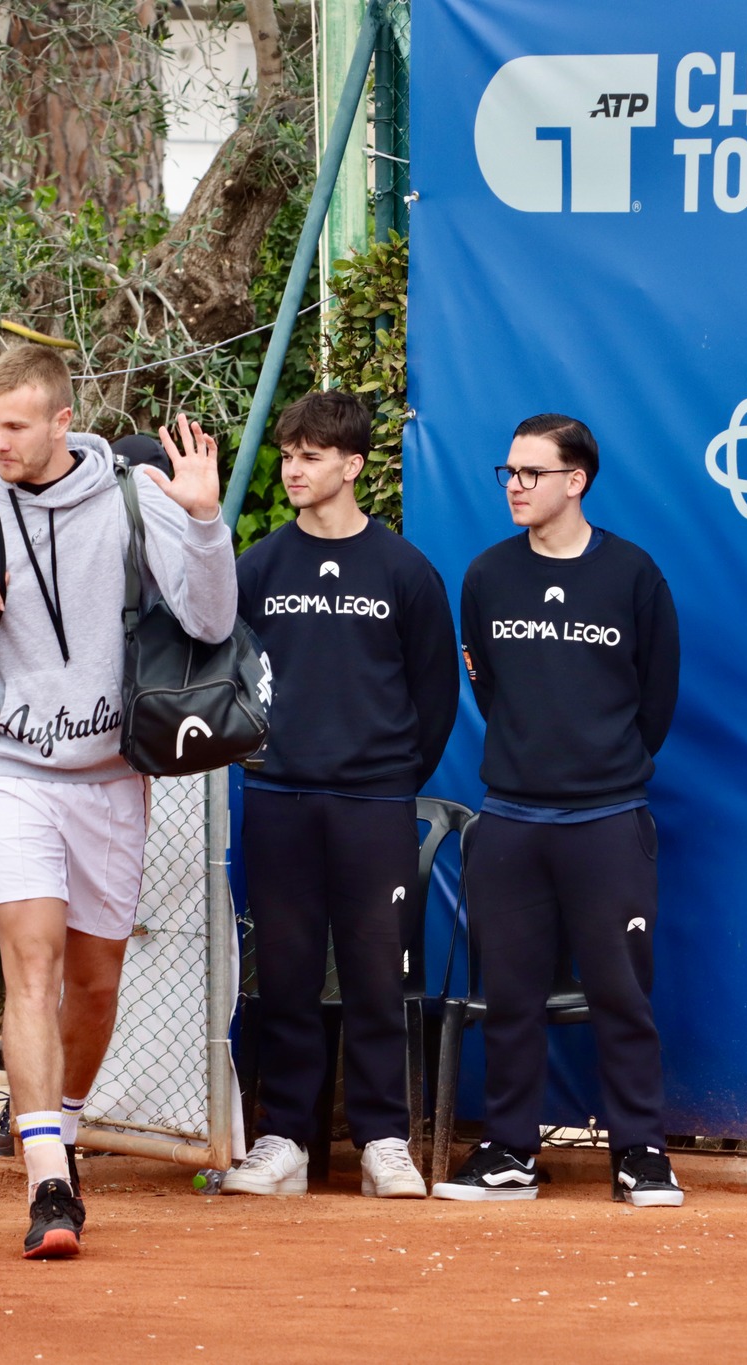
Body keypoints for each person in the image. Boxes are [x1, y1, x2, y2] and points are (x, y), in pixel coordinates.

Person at [0, 345, 236, 1259]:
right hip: (7, 773)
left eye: (14, 426)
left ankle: (61, 1127)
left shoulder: (132, 499)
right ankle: (48, 1186)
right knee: (29, 965)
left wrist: (202, 520)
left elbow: (210, 620)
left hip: (113, 778)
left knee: (94, 983)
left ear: (62, 421)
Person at [433, 413, 684, 1206]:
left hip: (607, 820)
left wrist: (603, 768)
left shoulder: (634, 575)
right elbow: (489, 688)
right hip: (509, 820)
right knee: (509, 996)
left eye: (530, 472)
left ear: (575, 481)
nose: (514, 484)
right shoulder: (485, 576)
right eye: (507, 471)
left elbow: (657, 701)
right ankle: (510, 1152)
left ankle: (641, 1154)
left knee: (621, 994)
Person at [219, 391, 458, 1200]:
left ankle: (385, 1140)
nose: (293, 468)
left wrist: (387, 776)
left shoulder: (404, 570)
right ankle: (283, 1137)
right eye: (288, 453)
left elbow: (434, 696)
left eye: (311, 455)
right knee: (284, 974)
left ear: (352, 465)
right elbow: (230, 677)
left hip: (373, 804)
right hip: (278, 796)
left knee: (374, 975)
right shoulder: (258, 566)